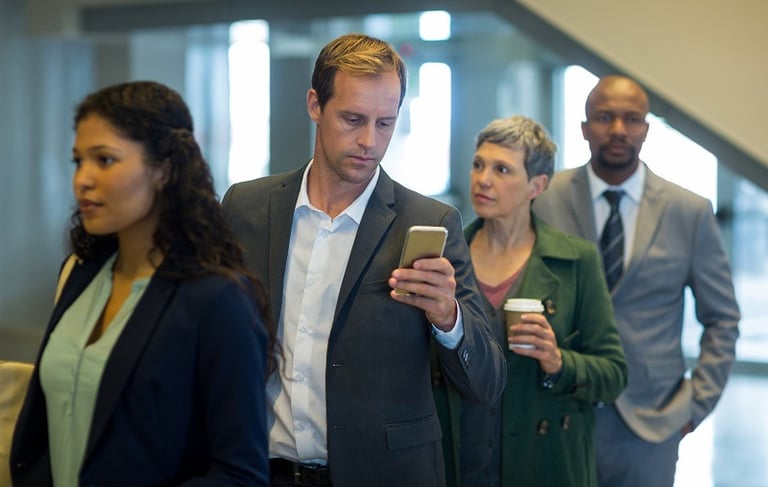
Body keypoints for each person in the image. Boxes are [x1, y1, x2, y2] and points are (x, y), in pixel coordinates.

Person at [221, 33, 506, 487]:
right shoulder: (245, 207)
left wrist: (448, 319)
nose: (369, 141)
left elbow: (487, 383)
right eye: (352, 119)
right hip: (260, 470)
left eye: (385, 123)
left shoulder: (430, 222)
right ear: (315, 105)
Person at [10, 80, 275, 486]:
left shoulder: (217, 298)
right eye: (78, 161)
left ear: (164, 168)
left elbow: (241, 473)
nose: (82, 179)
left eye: (105, 159)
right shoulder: (80, 273)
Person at [533, 75, 741, 487]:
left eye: (631, 119)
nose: (618, 130)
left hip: (651, 421)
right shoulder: (542, 199)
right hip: (557, 408)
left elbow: (722, 318)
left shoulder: (689, 211)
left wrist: (695, 405)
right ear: (584, 128)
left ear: (646, 129)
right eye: (604, 117)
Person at [433, 115, 628, 487]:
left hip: (545, 462)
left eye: (502, 169)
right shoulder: (442, 259)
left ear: (537, 185)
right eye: (478, 165)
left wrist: (558, 361)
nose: (483, 179)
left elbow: (614, 375)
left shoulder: (577, 261)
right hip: (455, 457)